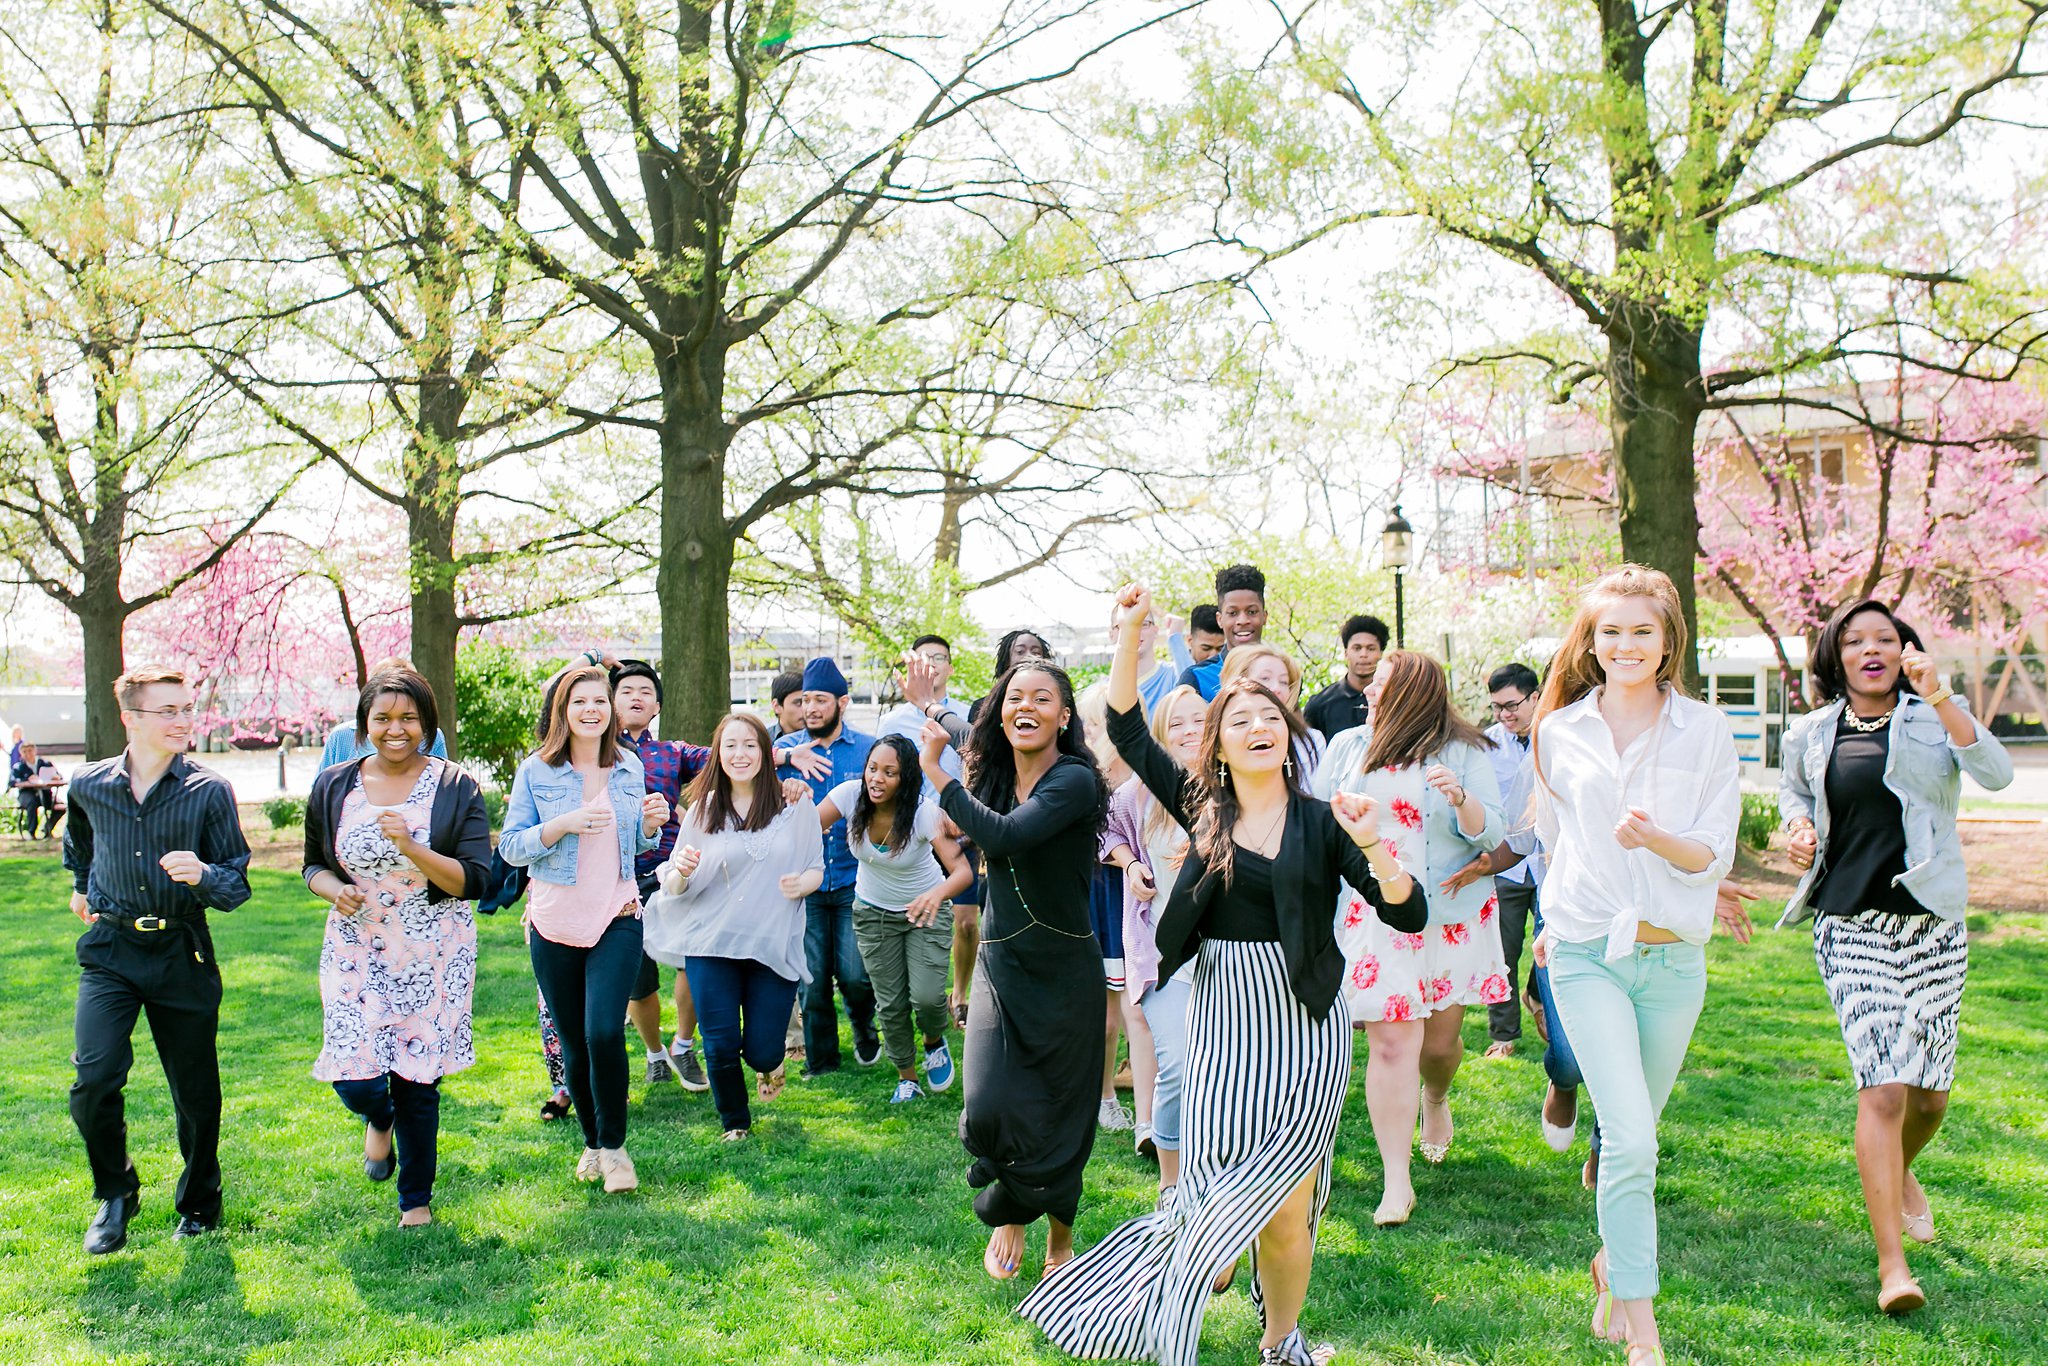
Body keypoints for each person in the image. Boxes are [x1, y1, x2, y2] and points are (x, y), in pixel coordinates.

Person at [1022, 583, 1423, 1366]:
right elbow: (1125, 723)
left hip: (1306, 1020)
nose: (1258, 726)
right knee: (1207, 1198)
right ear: (1219, 744)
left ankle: (1281, 1342)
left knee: (1287, 1208)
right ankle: (1159, 1300)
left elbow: (1407, 912)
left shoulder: (1323, 819)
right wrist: (1134, 629)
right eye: (1240, 720)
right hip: (1225, 1018)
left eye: (1271, 717)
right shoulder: (1202, 807)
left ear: (1290, 733)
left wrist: (1374, 844)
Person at [1527, 565, 1740, 1366]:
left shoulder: (1708, 731)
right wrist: (1551, 927)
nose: (1624, 645)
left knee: (1636, 1135)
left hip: (1673, 961)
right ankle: (1643, 1333)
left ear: (1667, 642)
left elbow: (1710, 854)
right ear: (1591, 641)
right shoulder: (1558, 731)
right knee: (1631, 1141)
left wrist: (1654, 838)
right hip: (1588, 957)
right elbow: (1555, 845)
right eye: (1609, 631)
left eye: (1641, 632)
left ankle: (1613, 1260)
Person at [1778, 598, 2012, 1316]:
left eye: (1886, 638)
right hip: (1851, 924)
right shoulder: (1812, 732)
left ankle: (1899, 1172)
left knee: (1929, 1096)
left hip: (1934, 924)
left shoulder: (1932, 717)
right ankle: (1892, 1267)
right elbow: (1795, 794)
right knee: (1883, 1088)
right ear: (1837, 657)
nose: (1871, 649)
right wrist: (1796, 828)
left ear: (1905, 650)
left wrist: (1940, 694)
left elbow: (1996, 773)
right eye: (1855, 641)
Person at [914, 656, 1106, 1282]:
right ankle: (1012, 1207)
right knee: (991, 1105)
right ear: (1000, 710)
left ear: (1065, 716)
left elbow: (1004, 838)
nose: (1027, 707)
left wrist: (934, 775)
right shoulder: (993, 772)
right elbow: (962, 738)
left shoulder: (1074, 780)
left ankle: (1058, 1230)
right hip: (1002, 965)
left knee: (1060, 1109)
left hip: (1064, 972)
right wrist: (932, 708)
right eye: (1015, 697)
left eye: (1043, 698)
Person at [64, 666, 251, 1254]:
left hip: (182, 951)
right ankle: (115, 1193)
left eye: (186, 709)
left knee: (195, 1091)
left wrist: (203, 875)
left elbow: (236, 884)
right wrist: (81, 885)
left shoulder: (209, 791)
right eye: (167, 711)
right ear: (130, 717)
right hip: (112, 951)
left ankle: (199, 1200)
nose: (182, 721)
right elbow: (81, 844)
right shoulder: (88, 785)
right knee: (93, 1078)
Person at [1313, 650, 1505, 1226]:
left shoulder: (1464, 751)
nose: (1368, 692)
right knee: (1393, 1043)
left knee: (1439, 1046)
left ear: (1415, 694)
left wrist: (1460, 799)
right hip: (1377, 916)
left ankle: (1436, 1097)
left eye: (1380, 685)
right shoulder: (1348, 745)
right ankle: (1397, 1180)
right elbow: (1314, 817)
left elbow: (1491, 832)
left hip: (1449, 913)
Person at [302, 668, 492, 1227]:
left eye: (408, 718)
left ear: (427, 724)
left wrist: (411, 845)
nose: (395, 729)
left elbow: (474, 880)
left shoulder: (456, 786)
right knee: (354, 1077)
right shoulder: (334, 783)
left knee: (417, 1077)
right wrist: (334, 890)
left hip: (433, 948)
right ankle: (377, 1118)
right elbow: (313, 863)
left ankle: (416, 1200)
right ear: (365, 724)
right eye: (382, 718)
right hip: (356, 947)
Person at [499, 664, 668, 1194]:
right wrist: (560, 825)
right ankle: (593, 1142)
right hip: (554, 922)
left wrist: (647, 826)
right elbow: (510, 846)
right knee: (574, 1042)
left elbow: (635, 848)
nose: (592, 710)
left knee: (602, 1032)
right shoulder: (536, 771)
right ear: (562, 712)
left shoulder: (630, 767)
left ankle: (616, 1150)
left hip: (616, 914)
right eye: (580, 703)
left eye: (600, 701)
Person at [646, 712, 822, 1140]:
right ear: (718, 754)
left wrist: (804, 884)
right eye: (730, 746)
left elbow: (815, 866)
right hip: (711, 941)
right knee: (720, 1041)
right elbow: (674, 880)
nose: (740, 754)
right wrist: (681, 871)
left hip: (771, 943)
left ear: (765, 752)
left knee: (762, 1050)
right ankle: (735, 1124)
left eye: (749, 745)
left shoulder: (795, 804)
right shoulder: (706, 809)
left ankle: (770, 1063)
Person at [819, 734, 971, 1102]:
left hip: (925, 912)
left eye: (889, 772)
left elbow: (962, 872)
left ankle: (934, 1040)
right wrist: (789, 793)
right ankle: (908, 1077)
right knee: (890, 1003)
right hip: (873, 914)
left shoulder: (923, 814)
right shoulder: (849, 797)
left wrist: (935, 894)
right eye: (873, 768)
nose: (876, 778)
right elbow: (804, 825)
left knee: (927, 997)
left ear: (906, 780)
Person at [1099, 684, 1208, 1182]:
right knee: (1179, 1065)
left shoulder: (1235, 788)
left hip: (1229, 958)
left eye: (1198, 720)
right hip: (1164, 957)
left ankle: (1210, 1152)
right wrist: (1128, 864)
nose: (1188, 731)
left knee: (1214, 1069)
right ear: (1161, 735)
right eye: (1176, 723)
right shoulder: (1140, 792)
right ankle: (1169, 1172)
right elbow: (1106, 829)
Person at [773, 657, 881, 1074]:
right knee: (812, 978)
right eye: (804, 701)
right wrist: (784, 761)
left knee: (854, 975)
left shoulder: (868, 748)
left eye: (820, 700)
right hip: (803, 883)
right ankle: (821, 1059)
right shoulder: (784, 748)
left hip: (856, 879)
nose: (811, 708)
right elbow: (733, 762)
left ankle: (863, 1025)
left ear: (843, 702)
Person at [609, 659, 714, 1093]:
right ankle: (655, 1054)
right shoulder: (594, 752)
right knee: (639, 976)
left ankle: (684, 1045)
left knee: (692, 960)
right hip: (617, 878)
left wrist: (780, 758)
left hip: (672, 873)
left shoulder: (671, 753)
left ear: (657, 706)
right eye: (627, 690)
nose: (636, 697)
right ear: (611, 702)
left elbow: (726, 757)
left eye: (645, 692)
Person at [895, 644, 985, 1029]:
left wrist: (960, 814)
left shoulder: (965, 716)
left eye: (938, 658)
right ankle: (913, 1003)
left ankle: (960, 992)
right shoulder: (893, 720)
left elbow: (980, 768)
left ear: (950, 667)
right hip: (913, 834)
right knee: (915, 919)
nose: (930, 666)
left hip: (962, 832)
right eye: (921, 659)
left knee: (966, 921)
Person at [1077, 681, 1136, 1133]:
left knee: (1126, 1008)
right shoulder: (1082, 774)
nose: (1090, 729)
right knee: (1098, 1008)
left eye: (1098, 722)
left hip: (1133, 900)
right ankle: (1095, 1094)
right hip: (1096, 894)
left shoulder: (1144, 770)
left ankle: (1115, 1097)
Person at [1480, 662, 1542, 1059]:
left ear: (1535, 697)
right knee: (1502, 951)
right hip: (1506, 862)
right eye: (1498, 707)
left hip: (1550, 859)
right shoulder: (1486, 743)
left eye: (1512, 704)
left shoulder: (1559, 736)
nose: (1505, 714)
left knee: (1558, 942)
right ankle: (1503, 1035)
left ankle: (1538, 997)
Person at [317, 656, 450, 769]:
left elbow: (443, 783)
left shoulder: (433, 737)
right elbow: (321, 790)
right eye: (383, 718)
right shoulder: (340, 737)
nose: (395, 731)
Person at [1218, 644, 1323, 778]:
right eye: (1265, 678)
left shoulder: (1310, 740)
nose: (1276, 688)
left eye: (1284, 682)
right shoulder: (1220, 737)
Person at [1176, 565, 1267, 701]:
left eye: (1252, 612)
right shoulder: (1196, 678)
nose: (1242, 621)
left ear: (1264, 616)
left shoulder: (1282, 672)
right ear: (1220, 619)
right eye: (1233, 613)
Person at [1302, 615, 1387, 741]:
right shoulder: (1320, 704)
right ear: (1346, 653)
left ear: (1380, 653)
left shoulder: (1392, 700)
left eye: (1371, 648)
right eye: (1357, 648)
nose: (1363, 655)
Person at [969, 629, 1053, 722]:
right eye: (1020, 651)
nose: (1029, 656)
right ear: (1006, 661)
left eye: (1036, 652)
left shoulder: (1056, 704)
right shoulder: (982, 707)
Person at [11, 739, 66, 838]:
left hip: (45, 793)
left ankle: (47, 828)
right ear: (21, 754)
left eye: (30, 750)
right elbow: (12, 782)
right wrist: (27, 779)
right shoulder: (18, 767)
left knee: (61, 806)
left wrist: (56, 778)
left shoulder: (45, 763)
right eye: (25, 751)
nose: (28, 754)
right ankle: (32, 832)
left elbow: (59, 776)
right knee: (32, 803)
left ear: (35, 751)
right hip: (27, 793)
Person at [768, 669, 807, 741]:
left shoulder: (823, 739)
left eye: (807, 702)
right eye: (798, 703)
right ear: (776, 706)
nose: (806, 709)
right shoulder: (763, 740)